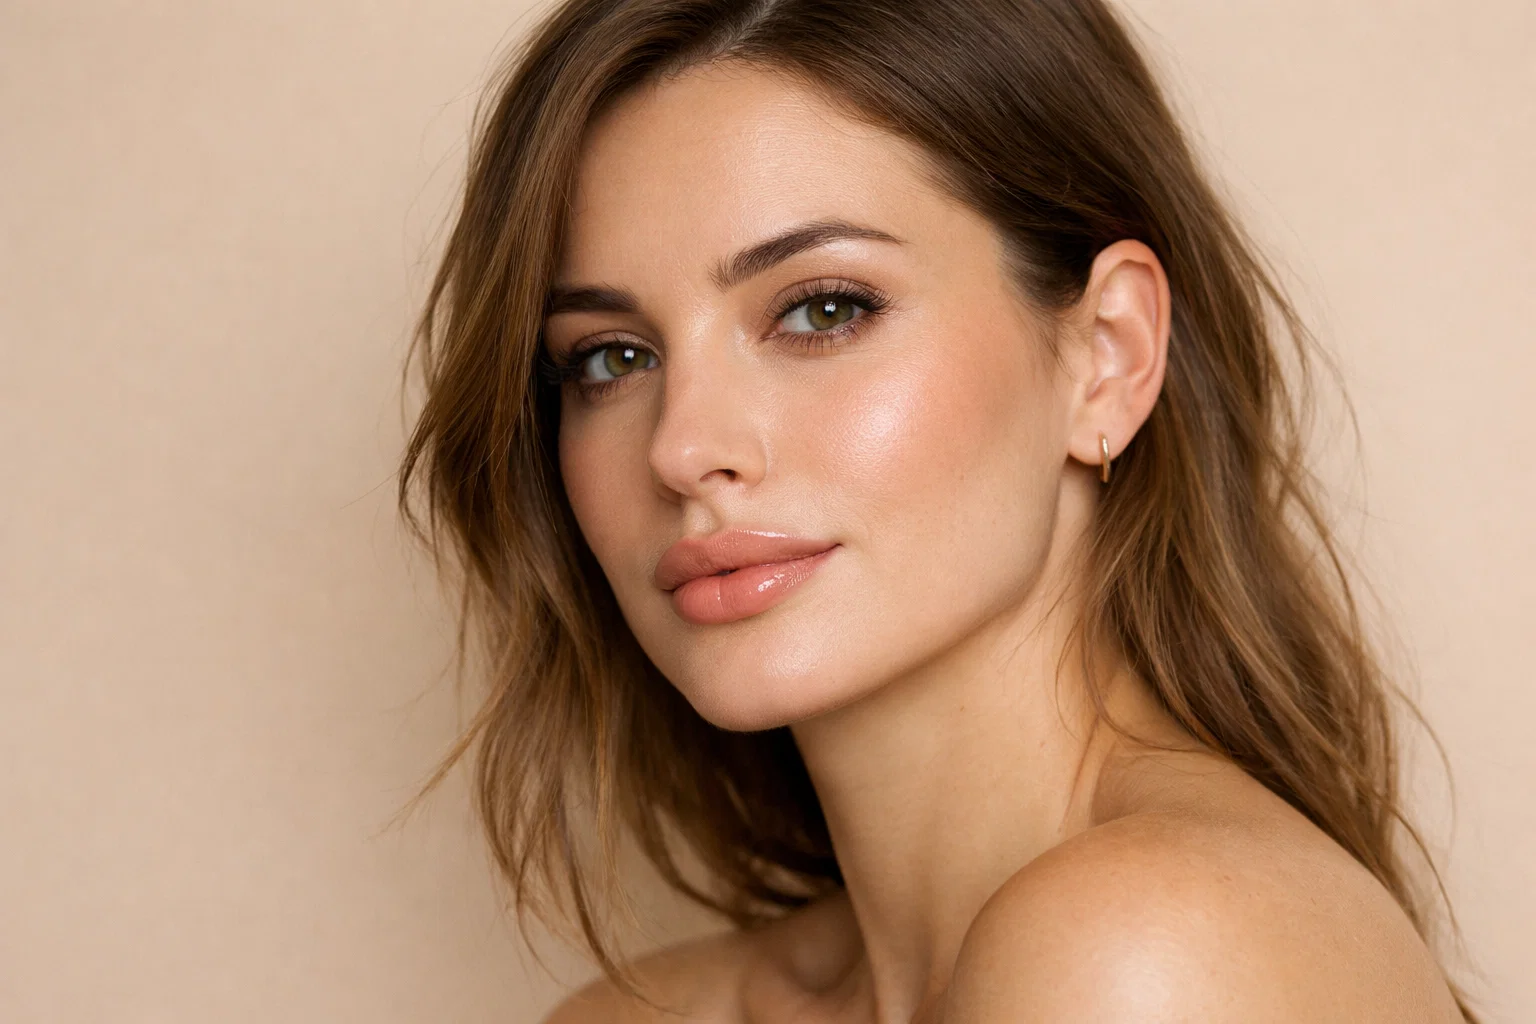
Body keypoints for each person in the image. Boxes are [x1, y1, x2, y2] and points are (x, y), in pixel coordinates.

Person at [397, 0, 1480, 1020]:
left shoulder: (1150, 952)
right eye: (611, 357)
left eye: (823, 309)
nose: (682, 448)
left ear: (1106, 355)